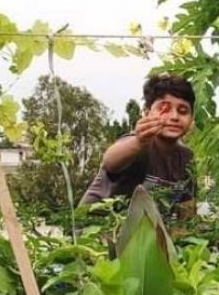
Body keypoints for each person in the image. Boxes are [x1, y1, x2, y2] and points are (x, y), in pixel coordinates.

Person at [80, 73, 197, 219]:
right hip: (95, 231)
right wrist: (138, 140)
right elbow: (110, 162)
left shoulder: (187, 159)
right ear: (147, 114)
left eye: (183, 111)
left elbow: (187, 211)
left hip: (139, 235)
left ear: (192, 120)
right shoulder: (136, 144)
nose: (174, 117)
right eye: (164, 109)